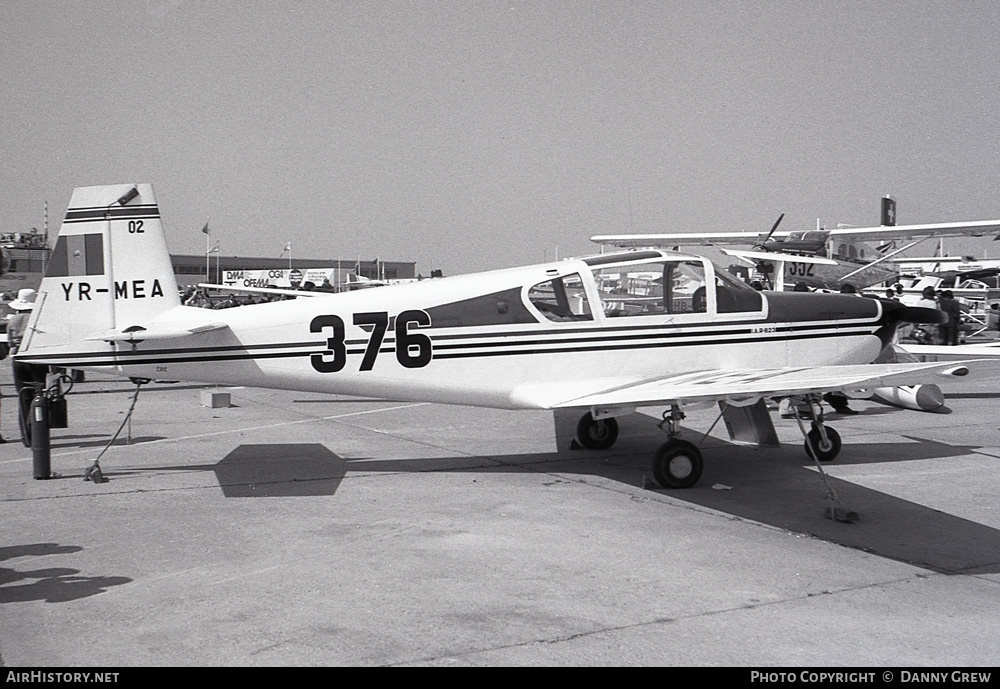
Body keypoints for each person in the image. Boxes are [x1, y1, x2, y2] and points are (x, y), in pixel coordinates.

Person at [8, 289, 49, 447]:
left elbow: (10, 342)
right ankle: (38, 432)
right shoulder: (39, 318)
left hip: (18, 359)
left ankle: (27, 436)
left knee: (23, 397)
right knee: (38, 396)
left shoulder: (14, 319)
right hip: (36, 358)